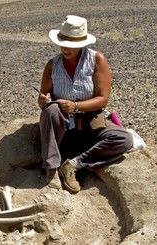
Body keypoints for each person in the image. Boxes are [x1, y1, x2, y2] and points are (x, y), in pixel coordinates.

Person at [37, 15, 133, 193]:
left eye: (71, 45)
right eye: (63, 43)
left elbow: (103, 99)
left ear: (82, 44)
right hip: (63, 127)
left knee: (124, 139)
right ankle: (51, 169)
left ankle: (74, 165)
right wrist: (43, 101)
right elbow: (44, 98)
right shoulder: (52, 65)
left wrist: (76, 106)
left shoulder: (96, 60)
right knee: (50, 110)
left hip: (90, 124)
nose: (66, 48)